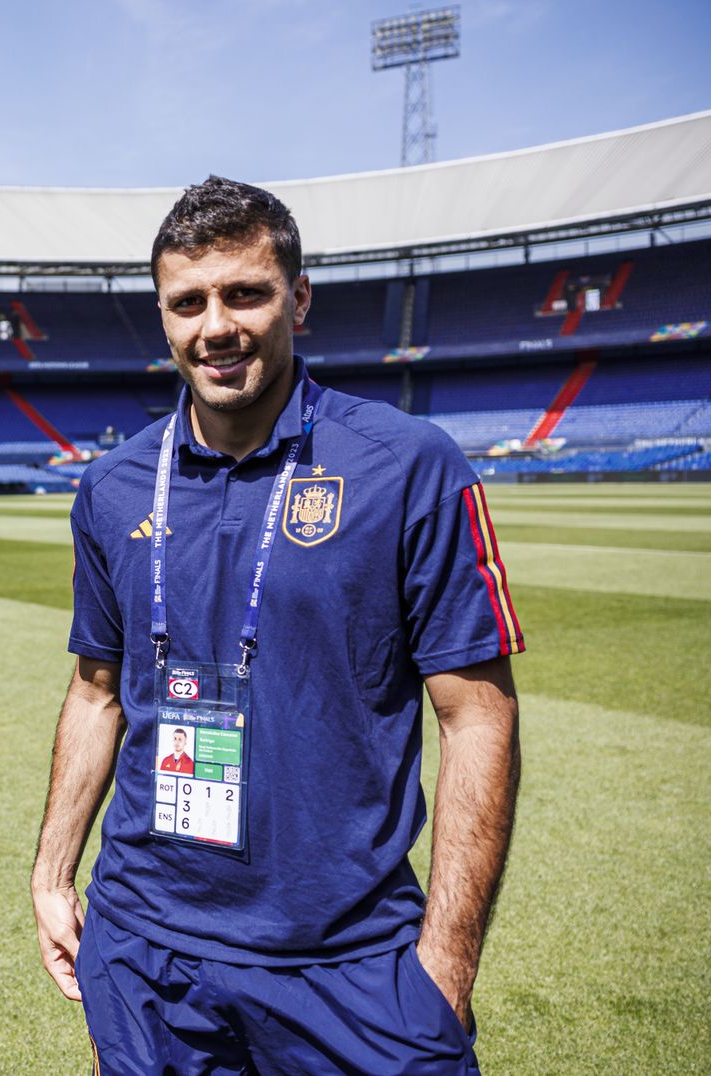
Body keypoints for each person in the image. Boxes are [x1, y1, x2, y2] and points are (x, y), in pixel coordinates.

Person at [32, 177, 522, 1074]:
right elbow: (96, 693)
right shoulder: (110, 487)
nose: (215, 326)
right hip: (145, 950)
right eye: (188, 303)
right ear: (163, 317)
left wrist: (445, 969)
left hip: (347, 957)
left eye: (244, 293)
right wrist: (52, 871)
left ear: (297, 298)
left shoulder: (409, 465)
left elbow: (477, 715)